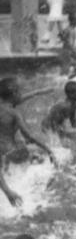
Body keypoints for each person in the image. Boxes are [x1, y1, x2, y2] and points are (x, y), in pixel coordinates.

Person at [0, 78, 56, 206]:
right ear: (14, 94)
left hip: (5, 153)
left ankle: (9, 189)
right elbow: (29, 136)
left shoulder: (6, 106)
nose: (22, 94)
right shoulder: (14, 114)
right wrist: (49, 150)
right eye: (20, 91)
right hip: (13, 153)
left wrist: (39, 92)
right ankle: (39, 196)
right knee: (42, 157)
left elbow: (19, 99)